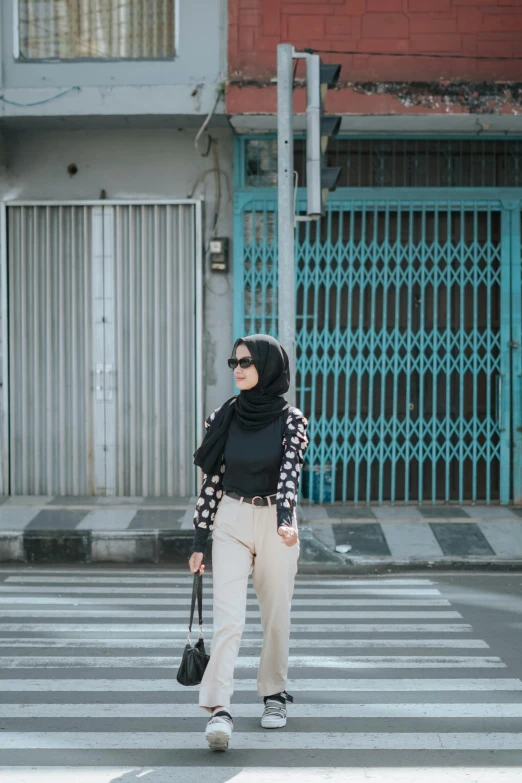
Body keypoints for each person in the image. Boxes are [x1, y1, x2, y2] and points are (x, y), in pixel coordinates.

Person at [188, 333, 309, 751]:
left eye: (245, 362)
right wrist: (200, 539)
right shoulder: (222, 416)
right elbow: (212, 482)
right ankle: (218, 709)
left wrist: (286, 520)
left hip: (276, 521)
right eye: (233, 363)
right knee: (230, 621)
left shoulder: (291, 419)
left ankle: (273, 695)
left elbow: (290, 475)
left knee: (276, 615)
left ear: (268, 368)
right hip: (232, 520)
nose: (237, 369)